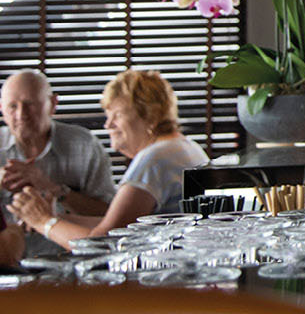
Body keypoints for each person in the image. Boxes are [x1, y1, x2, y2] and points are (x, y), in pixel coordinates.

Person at [6, 70, 205, 251]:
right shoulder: (182, 147)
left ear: (149, 115)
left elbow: (104, 244)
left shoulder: (154, 160)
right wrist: (57, 218)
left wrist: (43, 222)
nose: (108, 124)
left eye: (116, 115)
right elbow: (120, 224)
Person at [1, 69, 116, 258]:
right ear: (1, 109)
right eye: (13, 106)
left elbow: (110, 216)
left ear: (53, 104)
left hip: (73, 260)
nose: (21, 114)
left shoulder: (84, 145)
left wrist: (54, 189)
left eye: (30, 104)